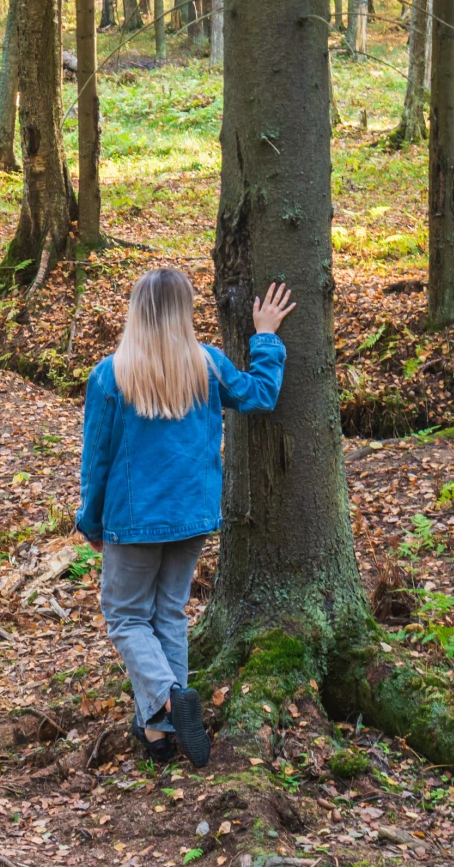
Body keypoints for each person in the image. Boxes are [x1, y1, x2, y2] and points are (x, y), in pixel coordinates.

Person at [75, 269, 295, 766]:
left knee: (127, 618)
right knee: (168, 615)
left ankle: (171, 700)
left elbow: (97, 460)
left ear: (137, 311)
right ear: (184, 313)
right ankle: (162, 734)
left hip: (133, 522)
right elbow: (260, 395)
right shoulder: (208, 366)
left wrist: (90, 522)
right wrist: (264, 338)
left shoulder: (111, 375)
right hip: (192, 517)